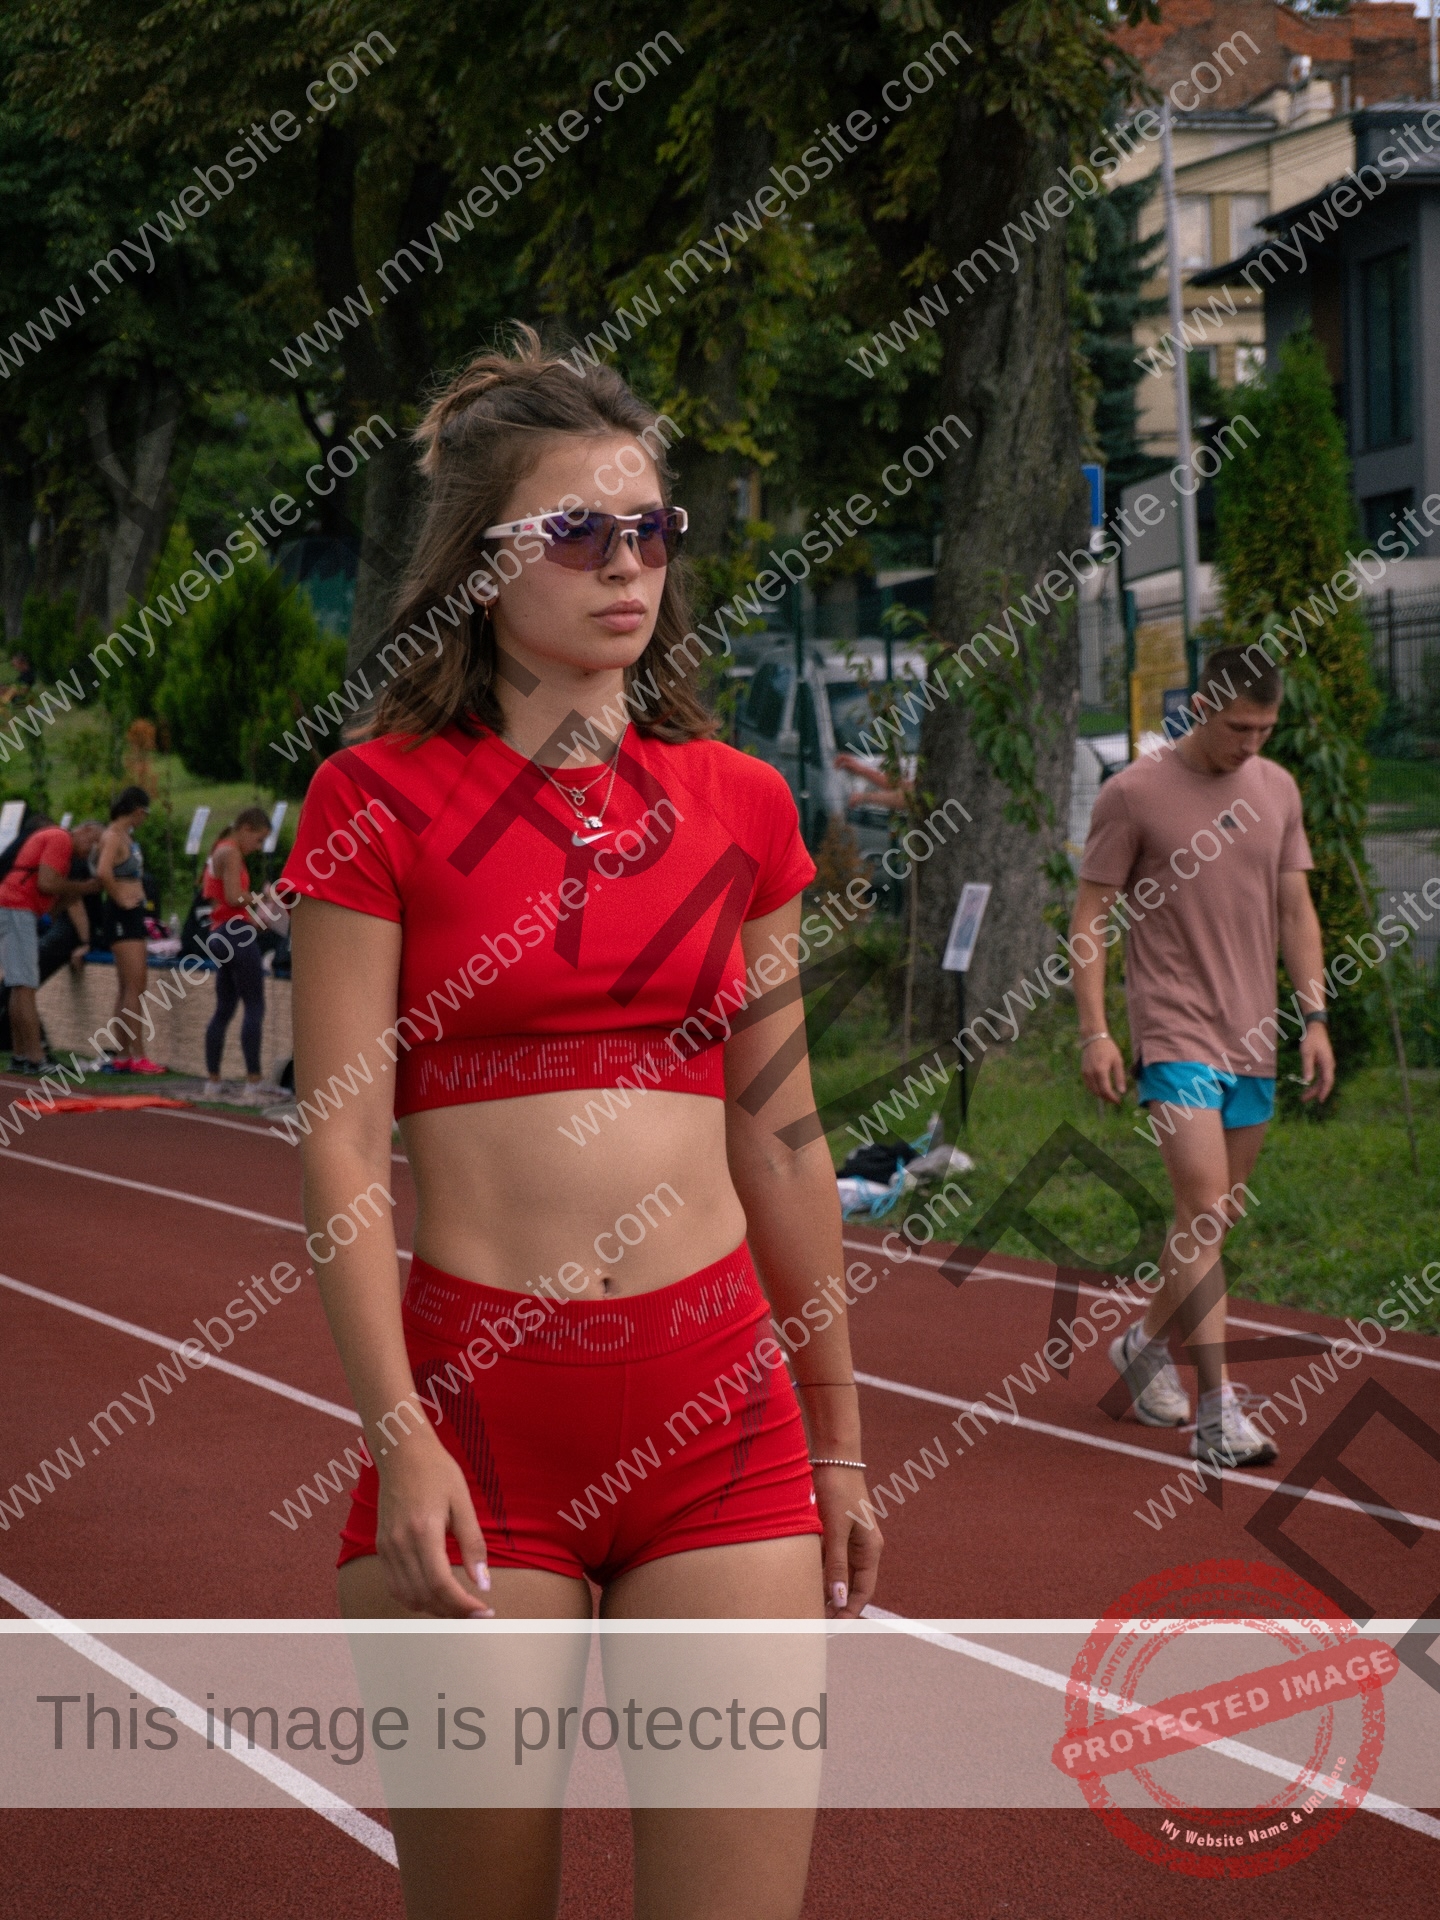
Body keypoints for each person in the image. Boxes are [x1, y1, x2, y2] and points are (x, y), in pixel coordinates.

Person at [283, 329, 879, 1919]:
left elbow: (785, 1139)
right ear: (485, 563)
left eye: (655, 530)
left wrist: (836, 1432)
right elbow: (339, 1143)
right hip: (478, 1422)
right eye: (581, 533)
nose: (631, 566)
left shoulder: (742, 802)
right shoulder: (376, 797)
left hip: (723, 1415)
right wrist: (398, 1435)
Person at [1072, 645, 1334, 1470]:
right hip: (1175, 1034)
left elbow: (1296, 909)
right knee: (1207, 1212)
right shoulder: (1134, 794)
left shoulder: (1278, 788)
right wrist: (1096, 1030)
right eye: (1237, 727)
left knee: (1205, 1227)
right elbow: (1089, 919)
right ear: (1199, 707)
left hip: (1254, 1035)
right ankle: (1219, 1414)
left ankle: (1144, 1345)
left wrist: (1314, 1017)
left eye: (1264, 728)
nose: (1250, 743)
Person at [0, 816, 101, 1071]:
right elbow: (47, 883)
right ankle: (36, 1058)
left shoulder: (62, 850)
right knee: (26, 985)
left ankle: (20, 1054)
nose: (91, 852)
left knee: (18, 984)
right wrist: (85, 887)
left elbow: (55, 899)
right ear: (86, 829)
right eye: (93, 844)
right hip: (17, 907)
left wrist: (75, 891)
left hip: (15, 908)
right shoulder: (61, 839)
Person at [201, 806, 276, 1104]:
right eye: (258, 840)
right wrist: (262, 897)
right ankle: (253, 1083)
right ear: (245, 828)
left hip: (220, 932)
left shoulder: (219, 849)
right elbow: (233, 896)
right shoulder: (231, 852)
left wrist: (255, 920)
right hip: (235, 934)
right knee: (254, 1006)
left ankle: (213, 1081)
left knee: (225, 1007)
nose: (257, 848)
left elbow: (222, 900)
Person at [93, 785, 164, 1074]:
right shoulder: (112, 836)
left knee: (127, 987)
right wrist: (120, 897)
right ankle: (138, 1054)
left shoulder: (124, 836)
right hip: (123, 914)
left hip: (130, 913)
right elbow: (102, 872)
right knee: (136, 987)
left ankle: (123, 1054)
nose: (144, 819)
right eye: (144, 814)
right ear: (137, 811)